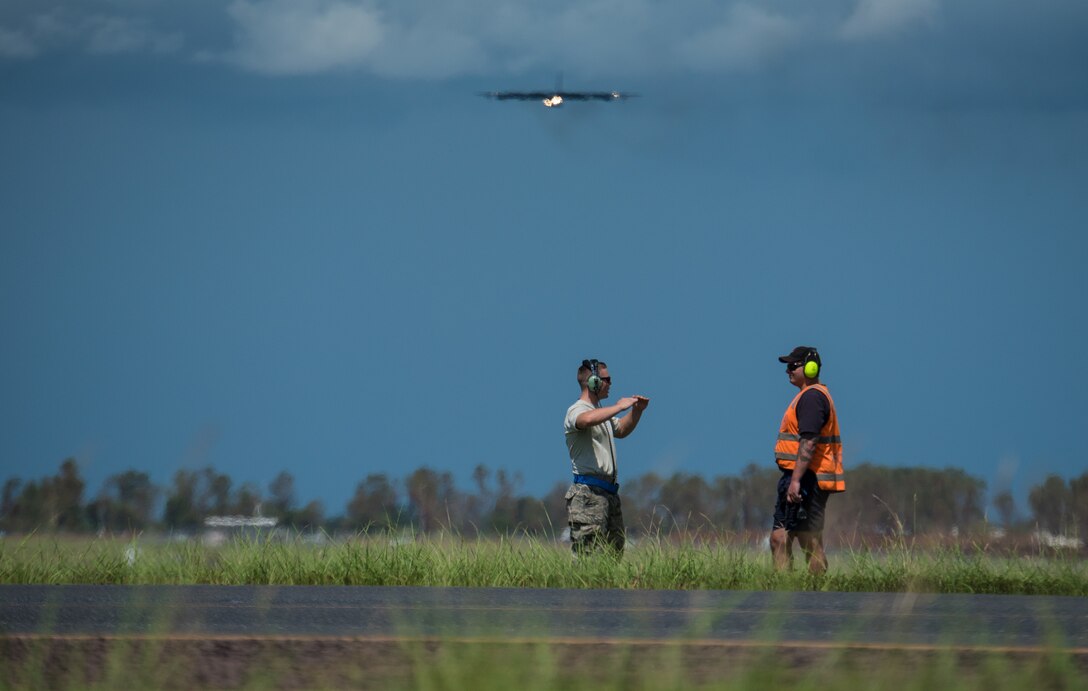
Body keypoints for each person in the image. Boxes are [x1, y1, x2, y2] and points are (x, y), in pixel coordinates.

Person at [770, 346, 845, 574]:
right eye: (787, 366)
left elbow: (809, 442)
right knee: (782, 539)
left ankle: (814, 595)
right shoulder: (808, 396)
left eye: (793, 366)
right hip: (799, 478)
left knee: (805, 541)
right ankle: (788, 594)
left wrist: (796, 481)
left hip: (806, 480)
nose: (788, 370)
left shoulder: (812, 397)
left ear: (810, 368)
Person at [563, 359, 649, 555]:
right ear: (593, 382)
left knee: (613, 555)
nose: (610, 383)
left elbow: (621, 429)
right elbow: (585, 420)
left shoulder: (602, 414)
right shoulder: (577, 410)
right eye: (606, 379)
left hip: (609, 494)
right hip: (588, 495)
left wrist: (636, 411)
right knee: (588, 556)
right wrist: (619, 406)